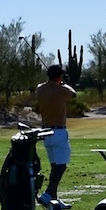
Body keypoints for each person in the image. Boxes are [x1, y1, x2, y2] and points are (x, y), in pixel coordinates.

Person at [33, 64, 77, 197]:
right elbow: (74, 94)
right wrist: (63, 84)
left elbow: (42, 86)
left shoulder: (40, 89)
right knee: (61, 165)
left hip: (45, 132)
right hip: (58, 132)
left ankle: (53, 198)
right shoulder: (62, 90)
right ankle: (48, 194)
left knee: (54, 165)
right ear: (59, 77)